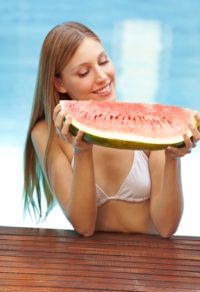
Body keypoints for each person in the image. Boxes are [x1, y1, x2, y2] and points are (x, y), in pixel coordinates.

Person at [23, 21, 200, 238]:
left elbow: (166, 227)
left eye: (103, 61)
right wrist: (82, 151)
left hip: (153, 264)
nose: (102, 77)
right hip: (89, 265)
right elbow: (84, 227)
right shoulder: (45, 134)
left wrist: (173, 159)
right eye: (83, 72)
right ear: (60, 84)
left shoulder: (147, 123)